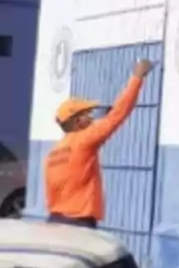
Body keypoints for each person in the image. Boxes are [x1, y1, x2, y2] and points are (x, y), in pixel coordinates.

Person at [45, 58, 154, 229]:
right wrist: (138, 77)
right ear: (77, 121)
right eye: (87, 114)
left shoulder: (53, 153)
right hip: (79, 222)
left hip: (55, 220)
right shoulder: (85, 140)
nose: (92, 118)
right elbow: (117, 115)